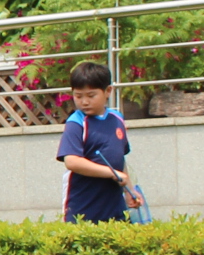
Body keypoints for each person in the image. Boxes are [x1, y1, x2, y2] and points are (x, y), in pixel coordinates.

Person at [55, 61, 143, 223]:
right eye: (78, 96)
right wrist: (111, 173)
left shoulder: (117, 119)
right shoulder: (76, 123)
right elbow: (72, 161)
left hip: (114, 205)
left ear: (108, 91)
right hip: (82, 206)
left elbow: (119, 159)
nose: (84, 102)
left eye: (91, 95)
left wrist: (129, 191)